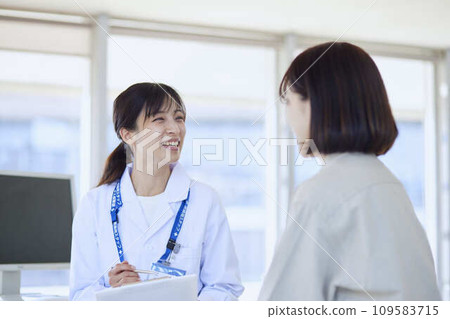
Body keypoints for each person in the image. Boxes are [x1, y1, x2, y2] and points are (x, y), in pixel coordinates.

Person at [258, 42, 441, 301]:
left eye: (287, 101)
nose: (286, 118)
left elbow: (280, 305)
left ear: (314, 105)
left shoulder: (321, 194)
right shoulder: (390, 186)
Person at [70, 82, 244, 301]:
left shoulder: (204, 200)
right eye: (159, 119)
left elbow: (224, 288)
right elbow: (79, 294)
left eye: (179, 118)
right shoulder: (94, 204)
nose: (175, 128)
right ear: (128, 135)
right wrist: (114, 295)